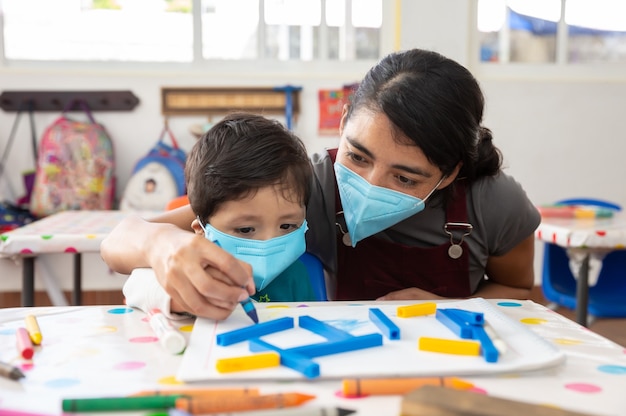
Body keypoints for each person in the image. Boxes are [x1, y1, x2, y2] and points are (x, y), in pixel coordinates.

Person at [101, 48, 540, 320]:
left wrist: (448, 308)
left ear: (450, 173)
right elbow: (118, 244)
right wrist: (161, 245)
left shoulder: (495, 203)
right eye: (357, 156)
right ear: (345, 122)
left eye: (405, 177)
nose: (369, 184)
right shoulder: (310, 186)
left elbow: (519, 292)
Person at [121, 112, 315, 318]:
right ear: (201, 231)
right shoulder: (184, 270)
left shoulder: (295, 275)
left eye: (287, 226)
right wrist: (178, 298)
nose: (269, 242)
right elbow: (135, 288)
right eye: (246, 229)